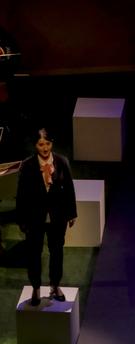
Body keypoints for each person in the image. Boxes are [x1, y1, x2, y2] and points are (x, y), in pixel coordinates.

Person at [16, 128, 77, 306]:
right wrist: (22, 219)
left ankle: (55, 285)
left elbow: (69, 190)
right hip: (35, 217)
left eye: (47, 143)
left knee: (56, 251)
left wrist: (72, 213)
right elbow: (21, 194)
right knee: (34, 253)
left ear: (52, 143)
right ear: (35, 145)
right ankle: (36, 287)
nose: (44, 148)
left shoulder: (62, 162)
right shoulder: (27, 165)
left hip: (57, 217)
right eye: (41, 144)